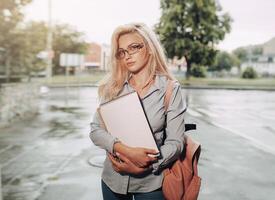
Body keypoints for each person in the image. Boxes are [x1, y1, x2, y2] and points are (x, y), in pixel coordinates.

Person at [89, 23, 186, 200]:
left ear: (149, 48)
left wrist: (150, 164)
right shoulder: (112, 88)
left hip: (151, 184)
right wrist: (125, 150)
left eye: (134, 47)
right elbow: (95, 131)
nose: (127, 56)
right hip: (112, 180)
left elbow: (176, 142)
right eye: (122, 51)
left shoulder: (170, 89)